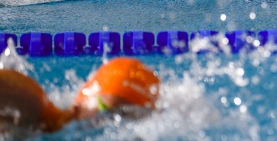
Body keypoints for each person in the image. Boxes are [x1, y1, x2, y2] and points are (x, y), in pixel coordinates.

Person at [0, 57, 159, 134]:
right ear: (77, 104)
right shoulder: (30, 103)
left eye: (125, 116)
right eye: (105, 109)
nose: (106, 120)